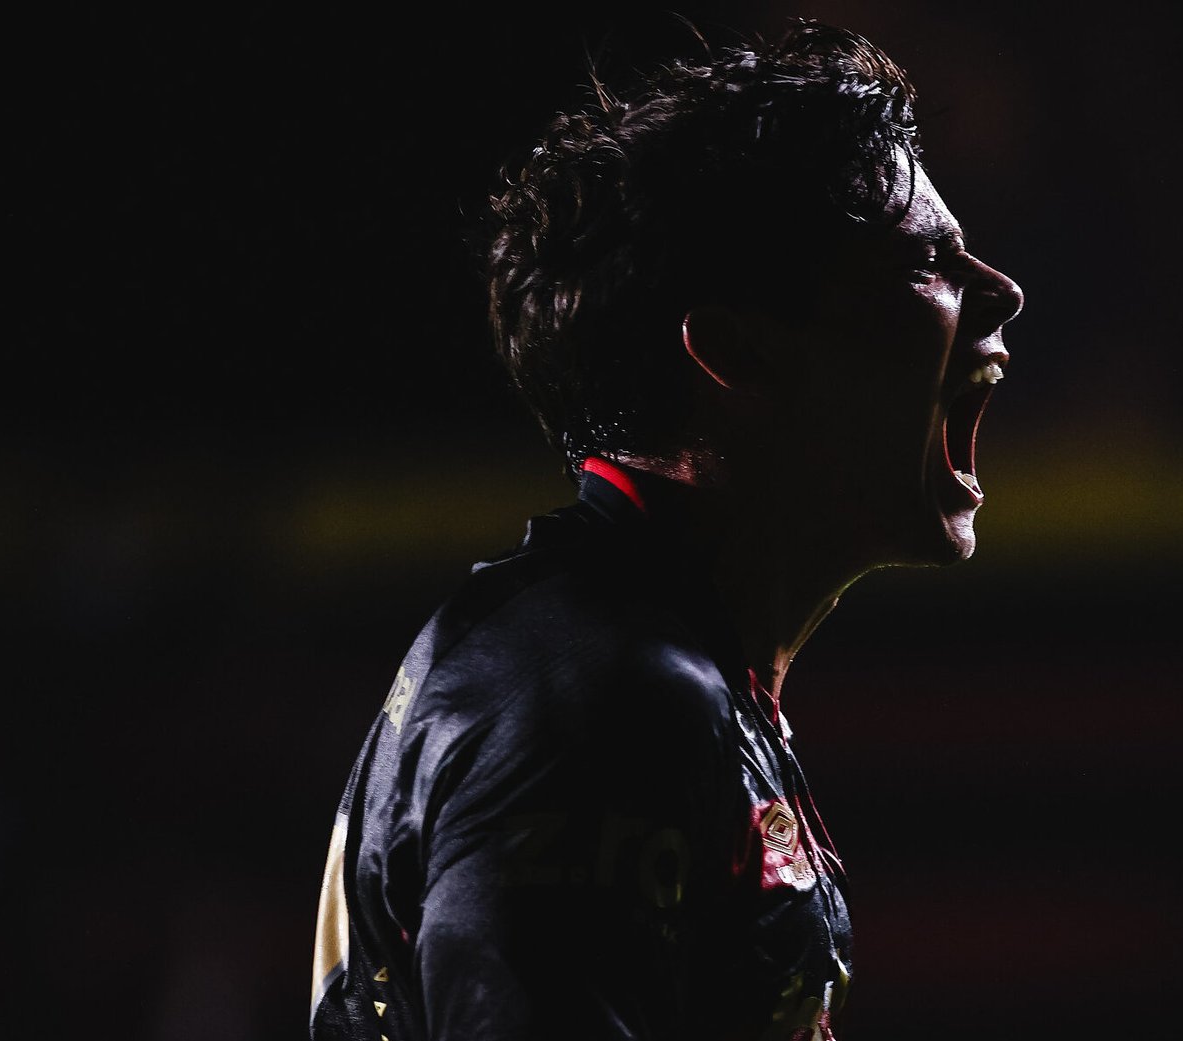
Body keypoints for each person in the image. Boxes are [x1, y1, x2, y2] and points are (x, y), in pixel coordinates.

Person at [309, 19, 1023, 1041]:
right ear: (740, 353)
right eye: (928, 260)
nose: (1001, 291)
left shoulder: (604, 662)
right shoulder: (607, 704)